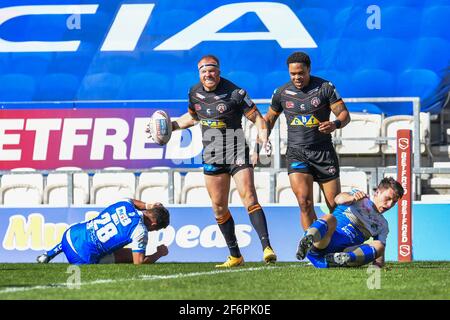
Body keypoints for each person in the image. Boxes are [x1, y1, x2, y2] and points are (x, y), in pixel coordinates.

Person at [148, 54, 276, 268]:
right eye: (204, 71)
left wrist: (263, 138)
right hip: (212, 154)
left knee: (249, 197)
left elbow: (258, 119)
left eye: (212, 70)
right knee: (218, 207)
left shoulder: (236, 93)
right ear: (199, 73)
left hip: (236, 150)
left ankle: (267, 248)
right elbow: (192, 117)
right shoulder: (194, 92)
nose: (208, 74)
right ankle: (235, 256)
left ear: (219, 71)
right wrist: (171, 126)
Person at [264, 52, 351, 231]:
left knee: (335, 205)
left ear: (309, 69)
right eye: (293, 74)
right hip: (297, 153)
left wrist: (334, 124)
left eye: (301, 73)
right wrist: (263, 137)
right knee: (304, 202)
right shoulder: (281, 93)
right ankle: (313, 250)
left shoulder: (325, 88)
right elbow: (269, 119)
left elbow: (345, 115)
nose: (297, 77)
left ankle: (338, 243)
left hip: (323, 152)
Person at [295, 177, 404, 268]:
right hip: (324, 242)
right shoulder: (359, 196)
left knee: (380, 246)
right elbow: (338, 199)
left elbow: (379, 252)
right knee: (330, 218)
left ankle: (341, 260)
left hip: (344, 251)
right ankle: (307, 241)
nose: (389, 205)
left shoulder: (383, 225)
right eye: (388, 198)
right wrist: (352, 198)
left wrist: (378, 265)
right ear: (377, 192)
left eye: (394, 202)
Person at [36, 199, 170, 265]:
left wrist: (148, 206)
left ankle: (48, 255)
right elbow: (138, 263)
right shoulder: (140, 231)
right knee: (134, 254)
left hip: (68, 236)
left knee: (87, 228)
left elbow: (132, 200)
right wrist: (158, 253)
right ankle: (49, 255)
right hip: (80, 258)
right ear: (154, 224)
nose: (152, 231)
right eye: (155, 229)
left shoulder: (125, 204)